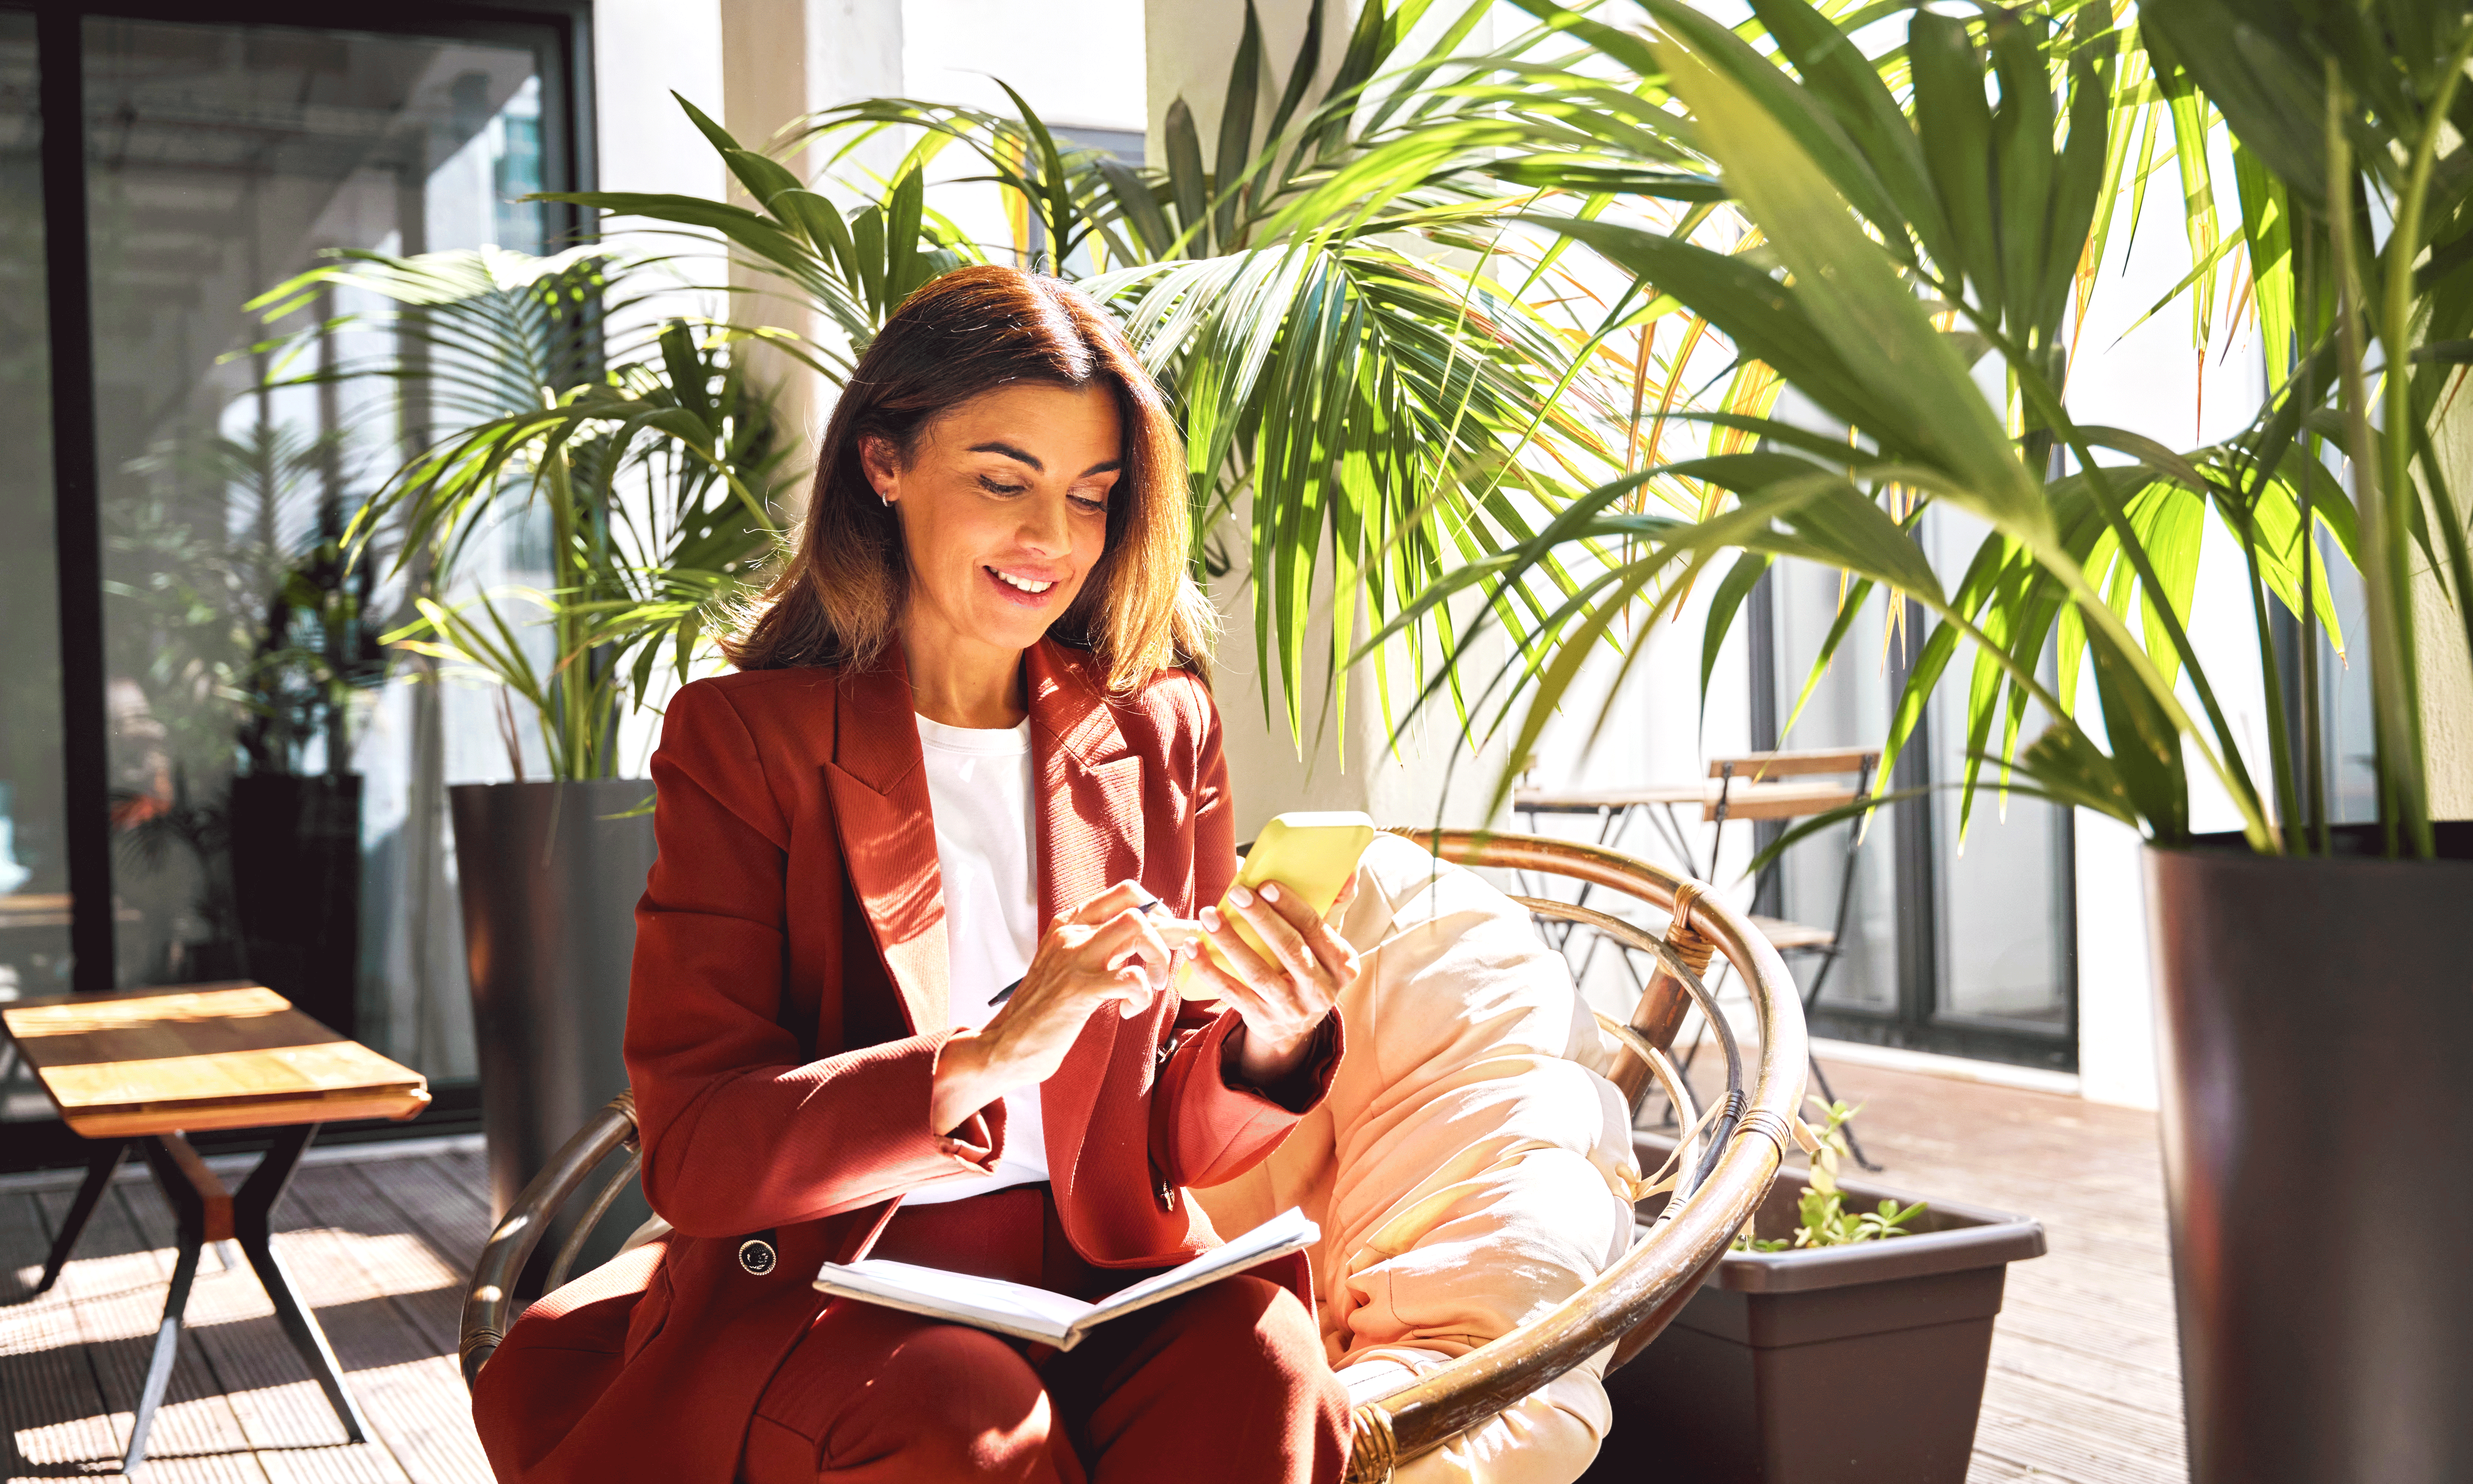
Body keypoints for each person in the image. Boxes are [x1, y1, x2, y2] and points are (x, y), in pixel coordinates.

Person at [469, 265, 1360, 1484]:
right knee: (965, 1413)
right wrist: (979, 1062)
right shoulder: (745, 741)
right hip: (840, 1288)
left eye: (1092, 497)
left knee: (1260, 1361)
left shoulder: (1162, 730)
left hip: (1109, 1276)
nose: (1052, 540)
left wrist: (1264, 1043)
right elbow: (697, 1150)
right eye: (1004, 481)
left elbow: (1182, 1141)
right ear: (883, 464)